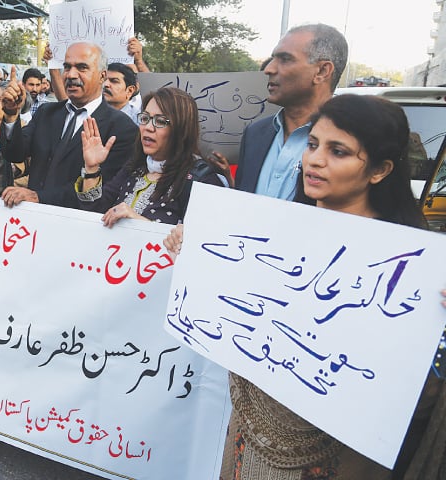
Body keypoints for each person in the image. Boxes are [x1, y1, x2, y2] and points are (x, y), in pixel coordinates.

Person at [164, 94, 442, 479]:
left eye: (338, 151)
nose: (314, 159)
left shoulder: (410, 269)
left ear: (380, 170)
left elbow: (421, 391)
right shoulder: (270, 231)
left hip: (337, 456)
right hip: (250, 436)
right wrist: (196, 249)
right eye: (313, 144)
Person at [0, 41, 138, 209]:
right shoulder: (46, 113)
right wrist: (11, 115)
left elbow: (104, 189)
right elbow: (15, 154)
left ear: (102, 76)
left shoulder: (122, 128)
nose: (71, 75)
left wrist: (40, 197)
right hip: (32, 222)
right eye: (67, 67)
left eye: (82, 67)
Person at [78, 87, 223, 225]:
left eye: (160, 121)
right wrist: (92, 168)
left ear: (181, 129)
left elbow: (205, 242)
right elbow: (93, 209)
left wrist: (137, 221)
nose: (148, 127)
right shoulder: (134, 168)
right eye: (145, 118)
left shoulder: (201, 179)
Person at [236, 24, 348, 199]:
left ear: (322, 71)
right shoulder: (255, 134)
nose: (269, 69)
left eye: (285, 59)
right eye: (273, 59)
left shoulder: (352, 142)